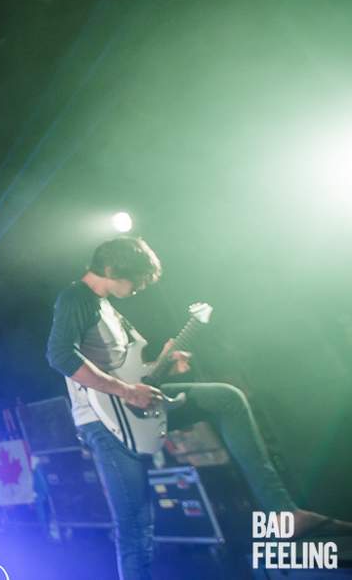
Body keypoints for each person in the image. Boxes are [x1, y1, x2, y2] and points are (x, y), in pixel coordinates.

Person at [45, 236, 351, 580]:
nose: (141, 287)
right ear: (114, 268)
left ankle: (283, 512)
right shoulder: (76, 298)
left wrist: (162, 364)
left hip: (131, 407)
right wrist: (127, 390)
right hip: (105, 423)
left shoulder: (108, 309)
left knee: (227, 398)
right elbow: (60, 355)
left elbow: (130, 373)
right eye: (138, 278)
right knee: (135, 526)